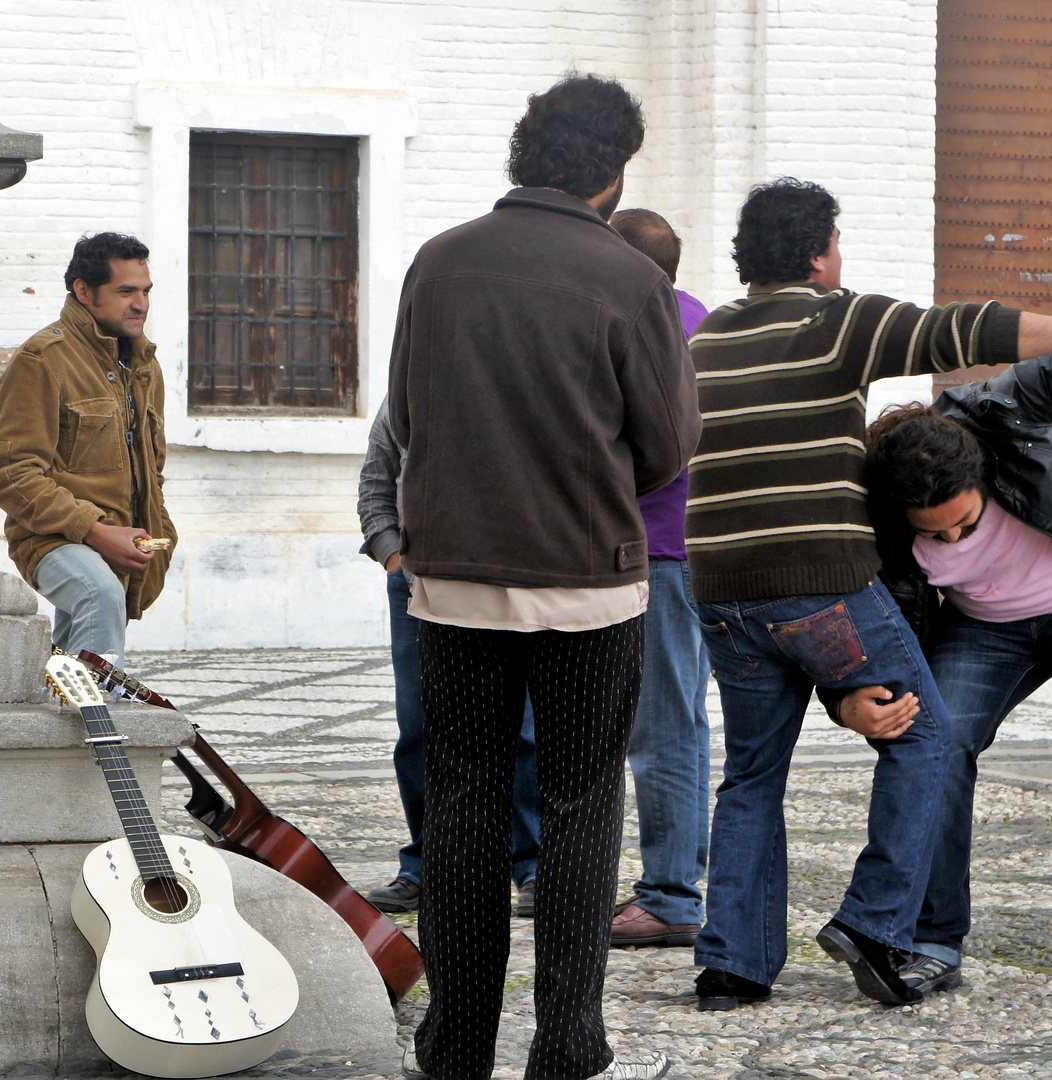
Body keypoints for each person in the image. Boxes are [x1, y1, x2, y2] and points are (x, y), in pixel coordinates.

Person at [684, 177, 1052, 1010]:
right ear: (823, 249)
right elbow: (957, 331)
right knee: (930, 738)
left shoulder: (703, 343)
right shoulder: (834, 320)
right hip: (819, 585)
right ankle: (876, 924)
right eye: (839, 243)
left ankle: (732, 965)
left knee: (750, 774)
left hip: (719, 592)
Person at [389, 75, 699, 1080]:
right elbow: (666, 445)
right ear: (611, 173)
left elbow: (407, 418)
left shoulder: (437, 265)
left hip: (457, 579)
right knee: (578, 801)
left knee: (464, 799)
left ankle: (454, 1046)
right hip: (588, 579)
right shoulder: (629, 280)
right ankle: (565, 1043)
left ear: (521, 153)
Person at [832, 327, 1052, 1007]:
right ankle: (935, 941)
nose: (950, 539)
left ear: (979, 477)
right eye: (932, 534)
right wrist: (850, 698)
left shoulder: (998, 413)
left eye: (964, 525)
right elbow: (865, 618)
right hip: (986, 627)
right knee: (934, 741)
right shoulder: (879, 512)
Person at [357, 402, 543, 915]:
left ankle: (530, 864)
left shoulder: (509, 383)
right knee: (419, 729)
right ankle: (427, 864)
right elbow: (375, 486)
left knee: (521, 730)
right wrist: (395, 559)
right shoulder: (403, 396)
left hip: (507, 581)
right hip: (417, 588)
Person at [0, 232, 176, 666]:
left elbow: (152, 467)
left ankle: (62, 725)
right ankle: (97, 723)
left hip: (123, 542)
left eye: (145, 291)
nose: (141, 304)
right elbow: (11, 474)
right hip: (51, 538)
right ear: (84, 291)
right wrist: (95, 530)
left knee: (68, 670)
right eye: (125, 291)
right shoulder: (42, 359)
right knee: (98, 595)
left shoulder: (145, 366)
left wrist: (157, 527)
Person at [605, 209, 713, 949]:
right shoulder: (695, 317)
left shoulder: (646, 322)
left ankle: (672, 894)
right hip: (664, 549)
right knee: (658, 719)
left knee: (664, 726)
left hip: (660, 551)